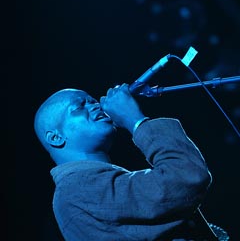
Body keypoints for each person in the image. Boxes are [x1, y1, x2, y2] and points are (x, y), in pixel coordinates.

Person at [34, 83, 224, 240]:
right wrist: (135, 120)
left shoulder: (88, 184)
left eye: (92, 100)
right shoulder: (77, 188)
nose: (95, 105)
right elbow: (185, 176)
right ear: (55, 137)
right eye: (79, 106)